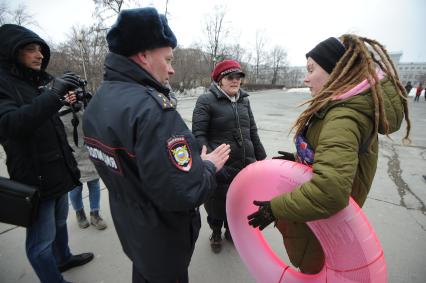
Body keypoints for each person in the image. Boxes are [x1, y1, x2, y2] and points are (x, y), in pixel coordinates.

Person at [82, 8, 230, 283]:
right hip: (162, 236)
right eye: (169, 59)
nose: (173, 68)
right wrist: (208, 167)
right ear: (144, 56)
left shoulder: (100, 100)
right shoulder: (151, 111)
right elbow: (184, 191)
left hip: (133, 226)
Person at [247, 35, 411, 274]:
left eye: (311, 69)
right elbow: (340, 160)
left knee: (316, 271)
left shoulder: (343, 117)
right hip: (322, 225)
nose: (305, 77)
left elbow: (330, 191)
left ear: (335, 71)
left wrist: (275, 208)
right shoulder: (344, 108)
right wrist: (299, 160)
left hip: (322, 226)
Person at [0, 24, 94, 283]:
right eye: (30, 49)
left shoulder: (34, 83)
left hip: (57, 170)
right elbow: (9, 125)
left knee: (61, 223)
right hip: (34, 177)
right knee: (40, 243)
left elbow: (44, 117)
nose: (39, 55)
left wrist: (66, 101)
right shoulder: (4, 84)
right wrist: (54, 94)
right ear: (10, 52)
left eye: (40, 49)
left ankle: (63, 258)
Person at [192, 59, 266, 253]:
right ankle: (216, 232)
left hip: (245, 166)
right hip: (221, 167)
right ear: (219, 80)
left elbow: (252, 129)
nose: (235, 81)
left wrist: (260, 157)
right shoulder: (206, 100)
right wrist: (212, 164)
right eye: (230, 77)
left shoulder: (244, 100)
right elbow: (199, 135)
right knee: (217, 204)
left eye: (239, 77)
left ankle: (231, 230)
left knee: (239, 204)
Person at [60, 94, 107, 230]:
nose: (71, 96)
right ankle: (79, 213)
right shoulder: (57, 109)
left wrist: (89, 103)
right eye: (67, 93)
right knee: (75, 187)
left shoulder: (84, 105)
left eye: (73, 93)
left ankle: (95, 214)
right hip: (72, 153)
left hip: (88, 150)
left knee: (94, 183)